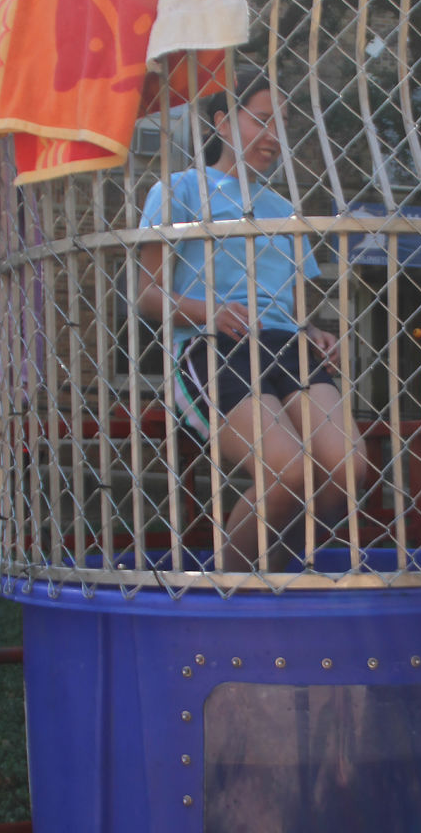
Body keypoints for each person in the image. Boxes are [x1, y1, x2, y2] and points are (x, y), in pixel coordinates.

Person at [137, 69, 369, 572]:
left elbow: (288, 308)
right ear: (222, 122)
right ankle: (223, 589)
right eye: (261, 121)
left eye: (282, 125)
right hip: (214, 343)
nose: (273, 137)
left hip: (285, 345)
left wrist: (315, 332)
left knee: (349, 468)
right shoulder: (180, 190)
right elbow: (147, 296)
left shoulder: (284, 210)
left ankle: (273, 574)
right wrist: (208, 312)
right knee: (287, 472)